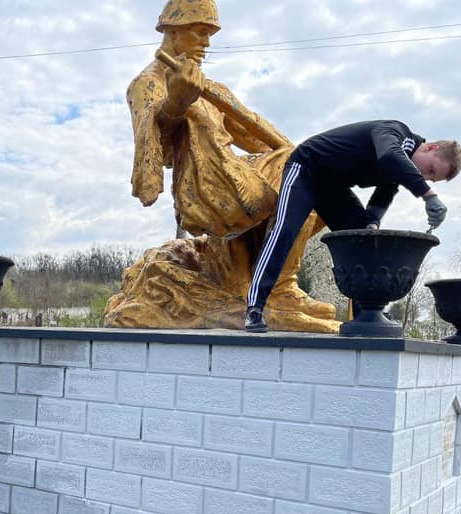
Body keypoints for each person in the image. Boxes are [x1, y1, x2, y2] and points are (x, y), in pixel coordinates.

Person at [127, 0, 336, 325]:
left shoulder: (210, 87)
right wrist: (175, 103)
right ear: (171, 30)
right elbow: (158, 148)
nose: (207, 42)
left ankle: (277, 286)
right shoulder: (148, 83)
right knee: (301, 174)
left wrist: (297, 152)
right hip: (207, 191)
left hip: (236, 176)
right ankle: (277, 293)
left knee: (309, 173)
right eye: (199, 32)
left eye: (210, 34)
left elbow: (252, 132)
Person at [245, 120, 461, 332]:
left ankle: (365, 317)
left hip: (332, 188)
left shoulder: (400, 164)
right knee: (285, 231)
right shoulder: (396, 132)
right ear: (430, 148)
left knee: (364, 241)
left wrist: (372, 222)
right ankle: (254, 307)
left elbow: (384, 194)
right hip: (306, 169)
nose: (424, 176)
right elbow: (389, 156)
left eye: (430, 178)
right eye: (431, 170)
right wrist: (428, 194)